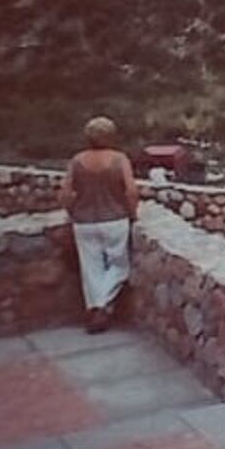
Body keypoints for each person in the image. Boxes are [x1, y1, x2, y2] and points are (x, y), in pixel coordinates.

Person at [61, 116, 139, 333]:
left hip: (84, 222)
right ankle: (102, 306)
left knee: (91, 268)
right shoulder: (119, 159)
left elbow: (66, 193)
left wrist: (71, 212)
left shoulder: (77, 161)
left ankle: (95, 307)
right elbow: (131, 191)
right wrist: (133, 213)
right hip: (115, 220)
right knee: (120, 266)